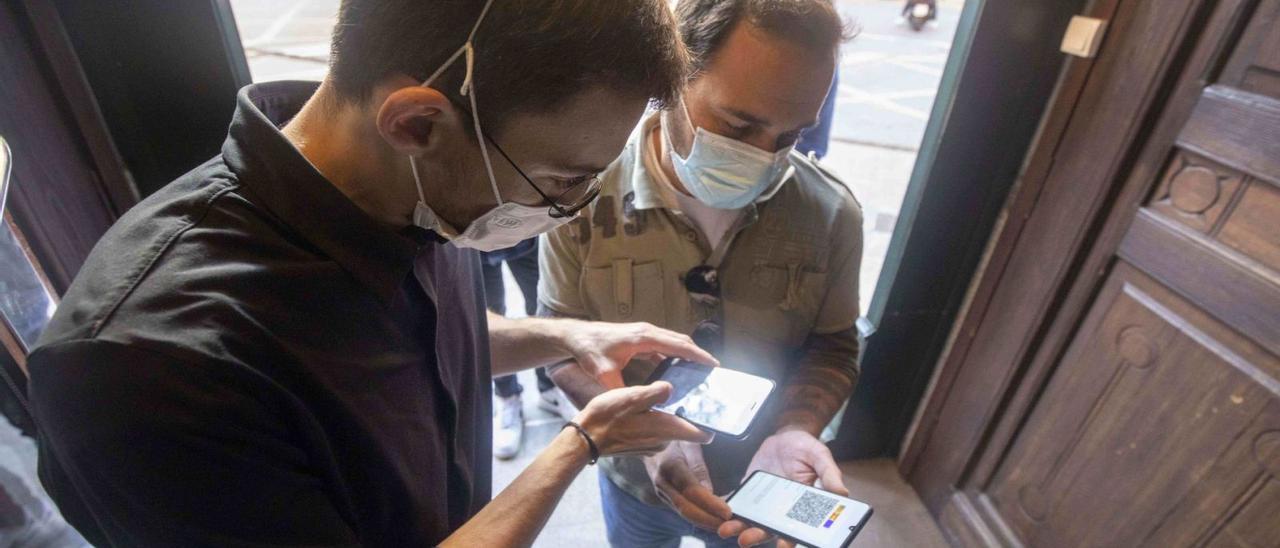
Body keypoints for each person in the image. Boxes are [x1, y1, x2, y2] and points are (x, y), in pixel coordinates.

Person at [26, 1, 718, 546]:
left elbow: (407, 344)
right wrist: (580, 445)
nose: (568, 212)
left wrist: (568, 338)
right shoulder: (140, 373)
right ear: (417, 123)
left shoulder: (411, 191)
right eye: (559, 182)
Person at [539, 1, 861, 546]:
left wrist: (794, 430)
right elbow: (559, 341)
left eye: (790, 137)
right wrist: (649, 441)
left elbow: (833, 345)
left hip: (762, 487)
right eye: (738, 125)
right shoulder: (579, 197)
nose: (763, 156)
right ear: (668, 81)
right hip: (635, 485)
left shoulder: (830, 216)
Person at [482, 238, 577, 460]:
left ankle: (549, 387)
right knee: (487, 317)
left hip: (525, 229)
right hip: (472, 238)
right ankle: (507, 396)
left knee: (543, 307)